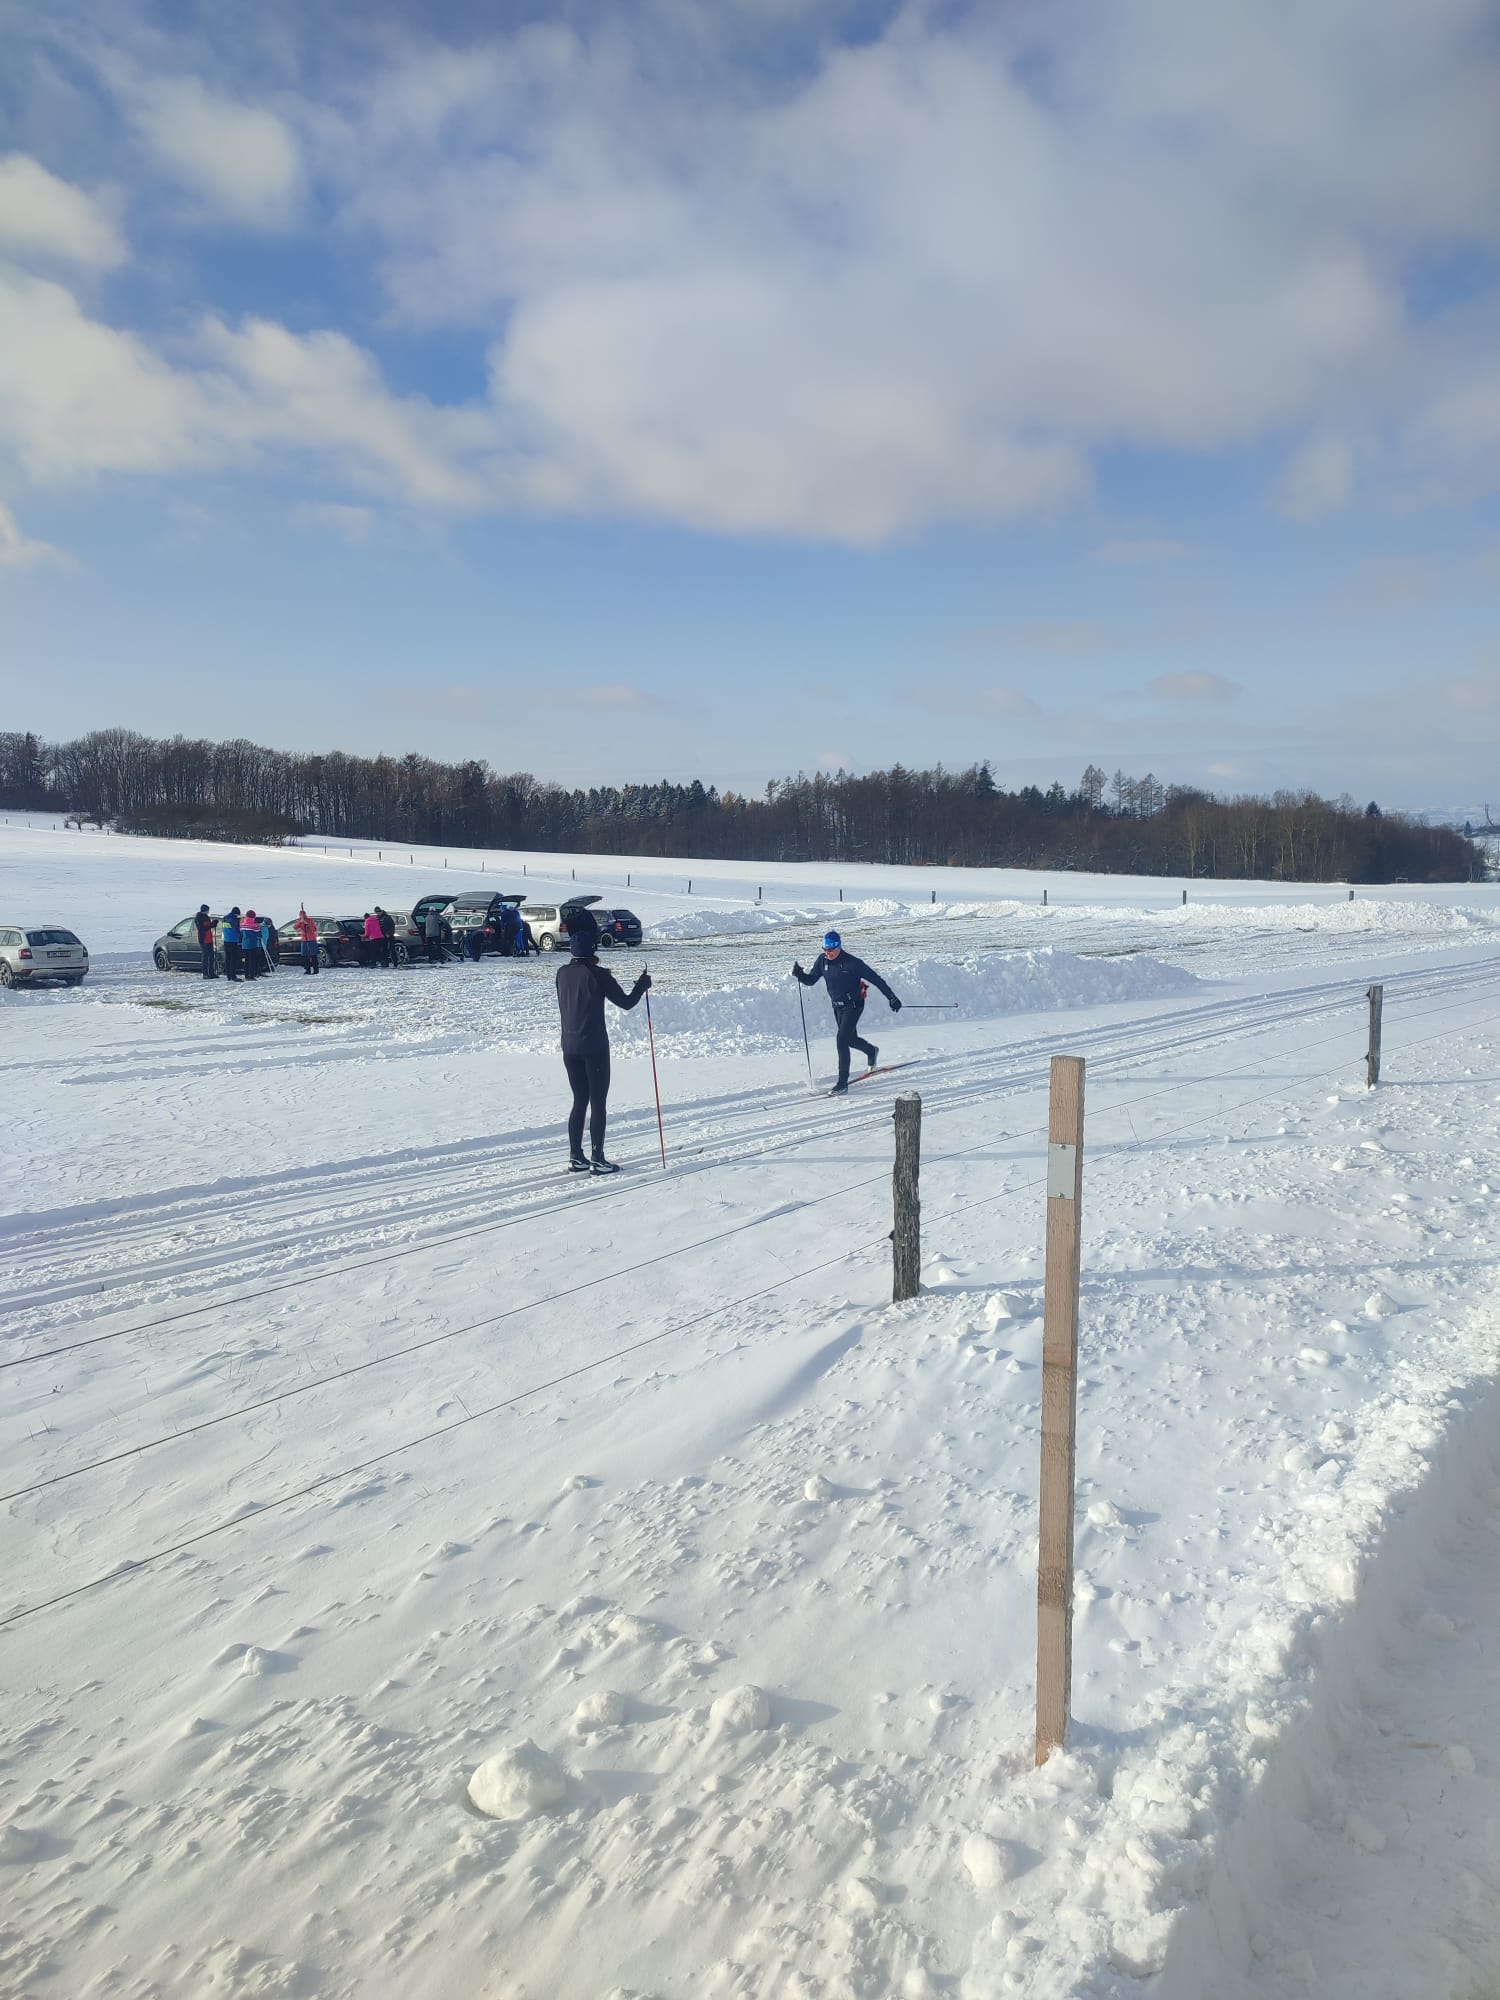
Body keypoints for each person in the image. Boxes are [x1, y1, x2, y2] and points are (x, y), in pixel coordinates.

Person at [555, 928, 651, 1173]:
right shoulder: (598, 975)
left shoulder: (562, 973)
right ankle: (598, 1159)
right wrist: (642, 985)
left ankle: (576, 1156)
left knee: (579, 1100)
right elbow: (627, 1003)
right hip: (594, 1046)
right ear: (593, 950)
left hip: (569, 1046)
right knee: (598, 1102)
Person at [792, 930, 902, 1093]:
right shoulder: (822, 961)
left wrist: (892, 997)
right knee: (849, 1039)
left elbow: (876, 980)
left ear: (839, 947)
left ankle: (842, 1083)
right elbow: (811, 980)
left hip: (854, 1005)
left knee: (841, 1039)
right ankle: (871, 1051)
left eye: (830, 950)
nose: (827, 953)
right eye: (825, 949)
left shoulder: (853, 963)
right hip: (837, 1007)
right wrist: (800, 975)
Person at [194, 904, 218, 978]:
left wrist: (213, 924)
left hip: (209, 938)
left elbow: (208, 926)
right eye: (207, 910)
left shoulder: (206, 917)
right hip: (203, 939)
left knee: (211, 956)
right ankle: (205, 974)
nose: (208, 911)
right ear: (205, 910)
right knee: (205, 957)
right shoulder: (198, 918)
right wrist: (212, 925)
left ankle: (211, 973)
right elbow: (202, 929)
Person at [293, 906, 320, 974]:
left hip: (311, 939)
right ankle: (307, 969)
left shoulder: (310, 920)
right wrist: (300, 922)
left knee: (313, 955)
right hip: (304, 940)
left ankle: (315, 970)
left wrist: (307, 923)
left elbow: (313, 929)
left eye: (303, 914)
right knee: (305, 955)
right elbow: (295, 927)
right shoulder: (299, 921)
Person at [222, 906, 243, 981]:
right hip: (233, 941)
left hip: (226, 940)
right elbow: (236, 930)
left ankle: (229, 976)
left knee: (228, 959)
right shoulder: (234, 919)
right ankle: (233, 976)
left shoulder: (225, 918)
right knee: (233, 959)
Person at [242, 910, 265, 979]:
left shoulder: (243, 924)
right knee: (252, 961)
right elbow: (259, 935)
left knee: (246, 961)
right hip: (252, 945)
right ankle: (251, 975)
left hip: (245, 945)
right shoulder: (254, 926)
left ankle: (246, 975)